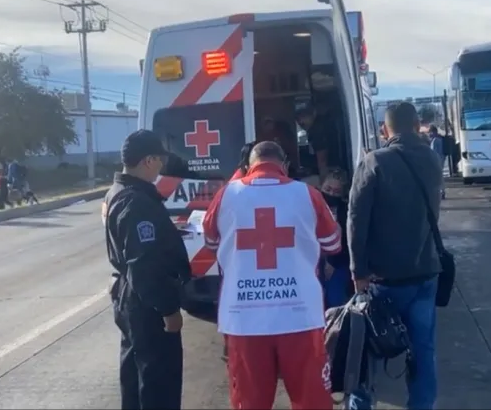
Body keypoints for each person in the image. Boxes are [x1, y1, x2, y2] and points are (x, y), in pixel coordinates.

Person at [203, 141, 340, 410]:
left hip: (244, 317)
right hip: (299, 314)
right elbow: (333, 244)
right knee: (311, 401)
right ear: (284, 165)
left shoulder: (226, 195)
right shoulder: (308, 194)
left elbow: (211, 243)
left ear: (248, 166)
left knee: (250, 403)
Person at [346, 102, 443, 410]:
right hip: (425, 273)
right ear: (417, 126)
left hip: (383, 278)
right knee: (423, 350)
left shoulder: (375, 162)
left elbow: (356, 219)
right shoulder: (432, 157)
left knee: (366, 349)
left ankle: (361, 406)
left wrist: (357, 270)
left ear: (384, 130)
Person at [103, 130, 192, 410]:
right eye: (161, 160)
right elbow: (145, 264)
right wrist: (168, 311)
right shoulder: (137, 202)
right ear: (149, 160)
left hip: (130, 298)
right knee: (158, 384)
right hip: (147, 307)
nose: (162, 167)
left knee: (135, 378)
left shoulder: (119, 191)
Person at [319, 168, 352, 308]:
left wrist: (332, 262)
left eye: (336, 192)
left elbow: (347, 240)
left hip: (339, 263)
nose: (331, 194)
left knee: (335, 302)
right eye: (328, 189)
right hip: (315, 261)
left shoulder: (347, 212)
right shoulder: (312, 205)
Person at [296, 101, 339, 181]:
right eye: (298, 119)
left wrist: (323, 181)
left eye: (304, 117)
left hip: (332, 169)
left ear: (313, 114)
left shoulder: (317, 130)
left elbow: (322, 160)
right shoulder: (322, 125)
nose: (301, 122)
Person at [428, 126, 446, 200]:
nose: (429, 134)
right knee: (440, 177)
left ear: (434, 132)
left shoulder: (435, 140)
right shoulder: (440, 139)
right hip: (441, 160)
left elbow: (433, 152)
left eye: (430, 132)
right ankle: (442, 192)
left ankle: (440, 192)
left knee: (436, 178)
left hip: (437, 161)